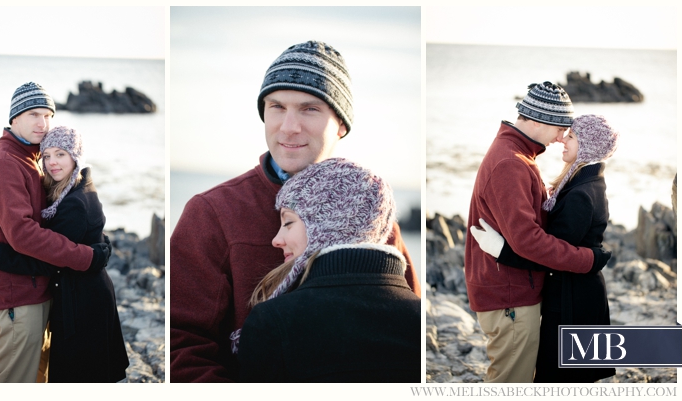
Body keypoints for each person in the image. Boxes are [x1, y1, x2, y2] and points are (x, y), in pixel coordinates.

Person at [170, 40, 421, 382]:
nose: (288, 127)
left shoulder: (369, 209)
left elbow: (407, 319)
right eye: (276, 107)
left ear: (341, 125)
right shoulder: (212, 211)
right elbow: (181, 341)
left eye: (309, 109)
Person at [464, 82, 611, 383]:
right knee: (510, 383)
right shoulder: (510, 162)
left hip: (513, 292)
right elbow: (528, 241)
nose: (561, 138)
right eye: (560, 128)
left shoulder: (518, 156)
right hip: (509, 295)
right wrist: (587, 260)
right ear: (538, 119)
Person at [236, 158, 421, 382]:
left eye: (288, 223)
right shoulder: (418, 318)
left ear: (326, 224)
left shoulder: (274, 322)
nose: (276, 240)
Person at [0, 82, 111, 383]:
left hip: (35, 292)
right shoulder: (4, 165)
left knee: (36, 380)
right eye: (34, 114)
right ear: (14, 119)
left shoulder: (31, 159)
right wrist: (86, 257)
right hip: (15, 297)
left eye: (48, 115)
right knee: (14, 382)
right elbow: (24, 234)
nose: (43, 123)